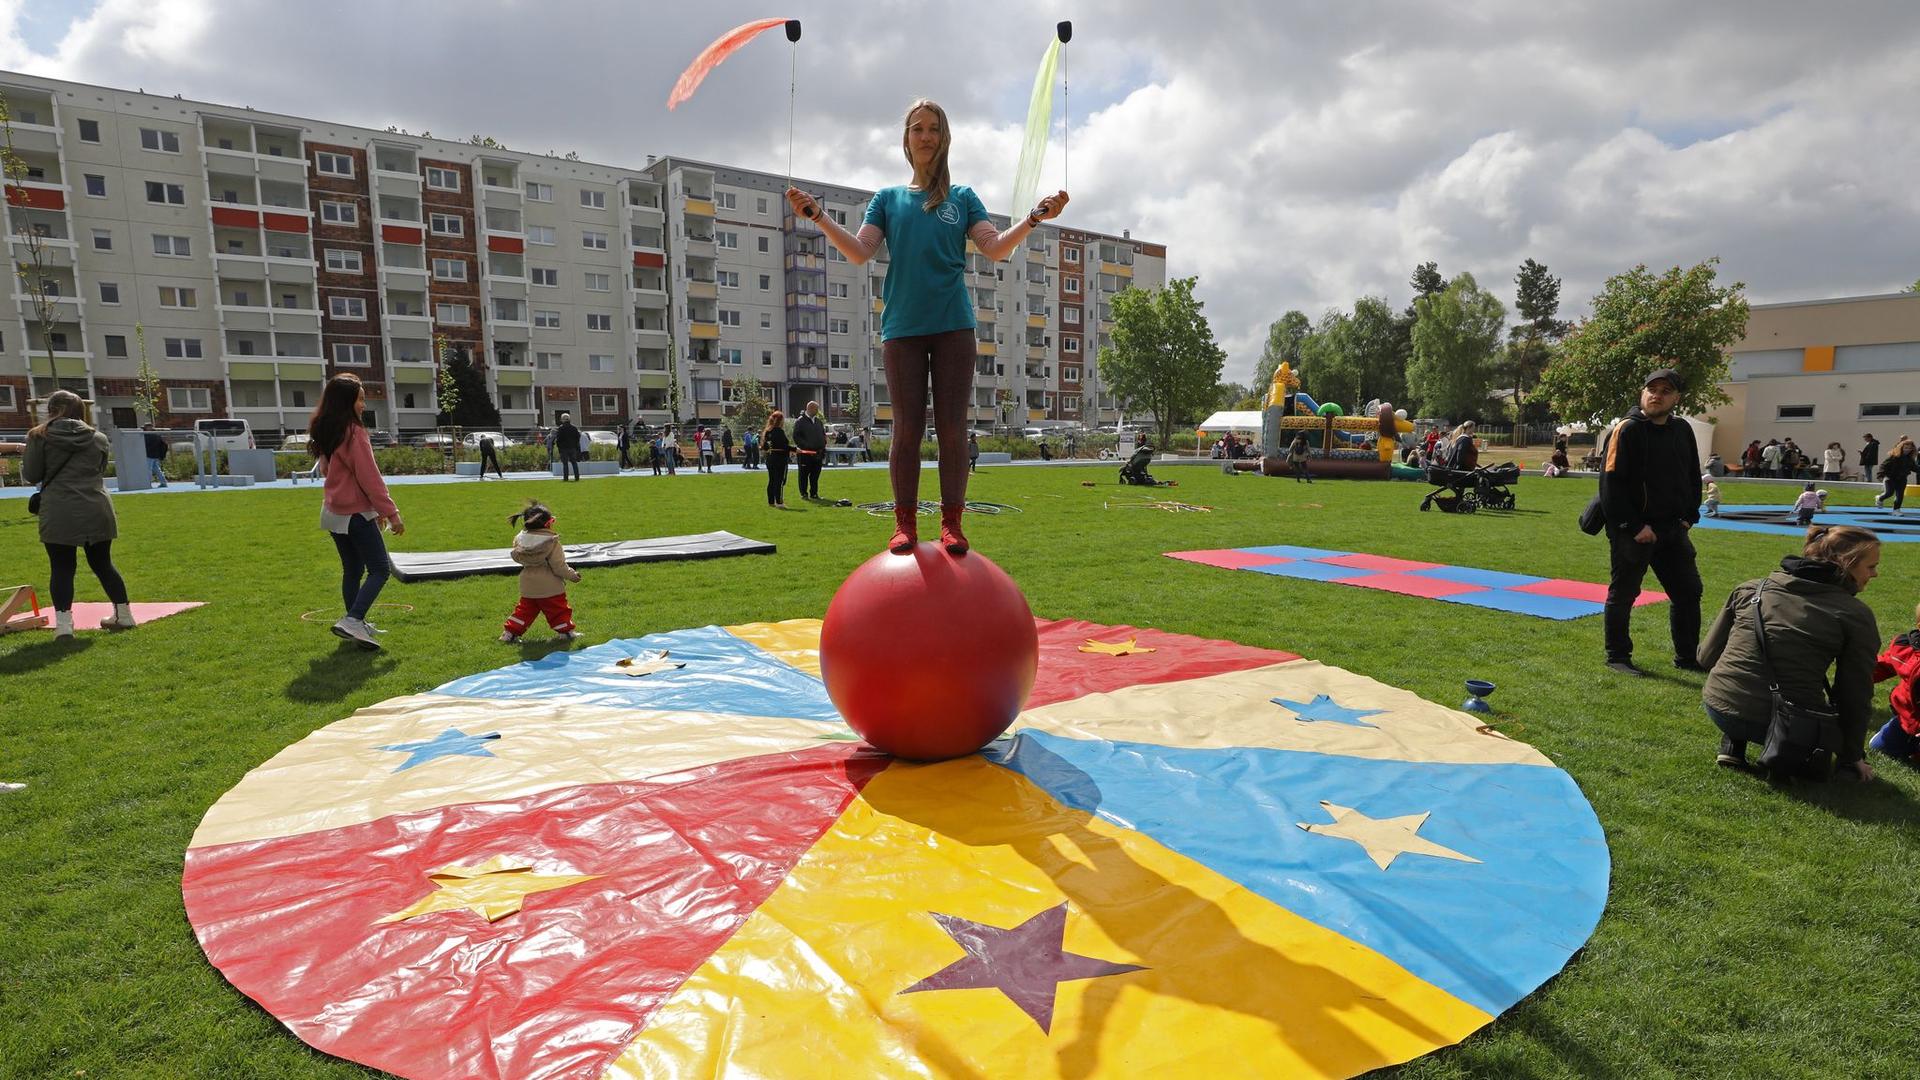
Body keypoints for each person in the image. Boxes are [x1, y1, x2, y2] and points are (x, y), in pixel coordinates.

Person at [789, 97, 1068, 554]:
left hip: (954, 326)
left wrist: (1034, 218)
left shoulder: (962, 198)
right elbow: (861, 252)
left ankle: (952, 524)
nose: (925, 136)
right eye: (917, 128)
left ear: (944, 138)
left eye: (934, 128)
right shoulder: (888, 199)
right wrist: (818, 216)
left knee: (954, 428)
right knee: (907, 429)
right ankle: (904, 524)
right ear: (907, 139)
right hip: (902, 328)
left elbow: (995, 248)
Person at [1698, 525, 1880, 781]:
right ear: (1846, 564)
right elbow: (1855, 693)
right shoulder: (1854, 614)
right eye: (1870, 566)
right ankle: (1780, 756)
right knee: (1812, 763)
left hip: (1719, 707)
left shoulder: (1751, 589)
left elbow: (1706, 657)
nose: (1875, 574)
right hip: (1788, 723)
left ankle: (1733, 743)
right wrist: (1852, 756)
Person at [1599, 368, 1704, 677]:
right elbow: (1610, 485)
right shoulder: (1627, 429)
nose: (1656, 395)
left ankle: (1687, 657)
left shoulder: (1682, 430)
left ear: (1676, 398)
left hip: (1673, 528)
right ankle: (1617, 656)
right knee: (1624, 593)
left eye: (1665, 390)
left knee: (1688, 592)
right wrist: (1633, 527)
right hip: (1634, 531)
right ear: (1642, 393)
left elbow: (1691, 476)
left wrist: (1689, 517)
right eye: (1651, 389)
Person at [23, 390, 135, 638]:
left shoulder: (39, 437)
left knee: (62, 567)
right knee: (103, 564)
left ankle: (64, 626)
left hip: (59, 508)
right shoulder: (99, 438)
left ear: (51, 410)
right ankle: (124, 615)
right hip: (96, 505)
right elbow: (99, 470)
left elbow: (32, 474)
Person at [309, 373, 403, 650]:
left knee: (352, 570)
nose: (364, 404)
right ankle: (353, 619)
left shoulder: (328, 431)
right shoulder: (354, 432)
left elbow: (331, 471)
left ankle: (355, 624)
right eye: (360, 399)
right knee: (379, 570)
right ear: (346, 402)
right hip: (354, 514)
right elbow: (369, 477)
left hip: (333, 512)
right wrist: (391, 513)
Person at [499, 501, 581, 643]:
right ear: (549, 523)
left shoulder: (520, 540)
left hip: (527, 585)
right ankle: (566, 632)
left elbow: (517, 557)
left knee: (524, 611)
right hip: (550, 587)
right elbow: (559, 566)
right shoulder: (552, 542)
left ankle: (509, 634)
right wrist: (573, 575)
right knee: (558, 610)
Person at [1867, 601, 1920, 763]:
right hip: (1907, 721)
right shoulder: (1905, 649)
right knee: (1878, 747)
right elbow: (1883, 665)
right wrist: (1860, 673)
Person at [793, 400, 826, 499]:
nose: (817, 411)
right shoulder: (800, 421)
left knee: (815, 475)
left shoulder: (818, 422)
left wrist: (823, 445)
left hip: (818, 453)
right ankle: (804, 493)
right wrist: (807, 446)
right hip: (805, 454)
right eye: (816, 409)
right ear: (810, 408)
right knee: (803, 474)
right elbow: (796, 436)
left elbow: (822, 435)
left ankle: (814, 493)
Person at [1873, 437, 1915, 513]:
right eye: (1906, 448)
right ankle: (1880, 498)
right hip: (1890, 478)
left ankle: (1896, 510)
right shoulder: (1894, 456)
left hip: (1902, 479)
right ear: (1901, 447)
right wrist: (1880, 475)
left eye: (1910, 448)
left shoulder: (1910, 459)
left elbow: (1915, 468)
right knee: (1889, 493)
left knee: (1900, 495)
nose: (1908, 450)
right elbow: (1883, 466)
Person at [762, 410, 791, 508]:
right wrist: (795, 449)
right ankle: (779, 502)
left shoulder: (767, 432)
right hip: (780, 459)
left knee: (772, 480)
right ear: (780, 421)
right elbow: (784, 446)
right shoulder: (779, 432)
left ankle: (771, 501)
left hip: (770, 459)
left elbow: (765, 447)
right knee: (779, 481)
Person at [554, 413, 581, 482]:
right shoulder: (574, 428)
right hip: (572, 448)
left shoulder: (561, 428)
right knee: (574, 463)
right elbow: (578, 437)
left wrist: (559, 447)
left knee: (565, 464)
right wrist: (575, 445)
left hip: (564, 449)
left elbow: (558, 439)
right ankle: (577, 477)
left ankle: (566, 478)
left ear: (562, 419)